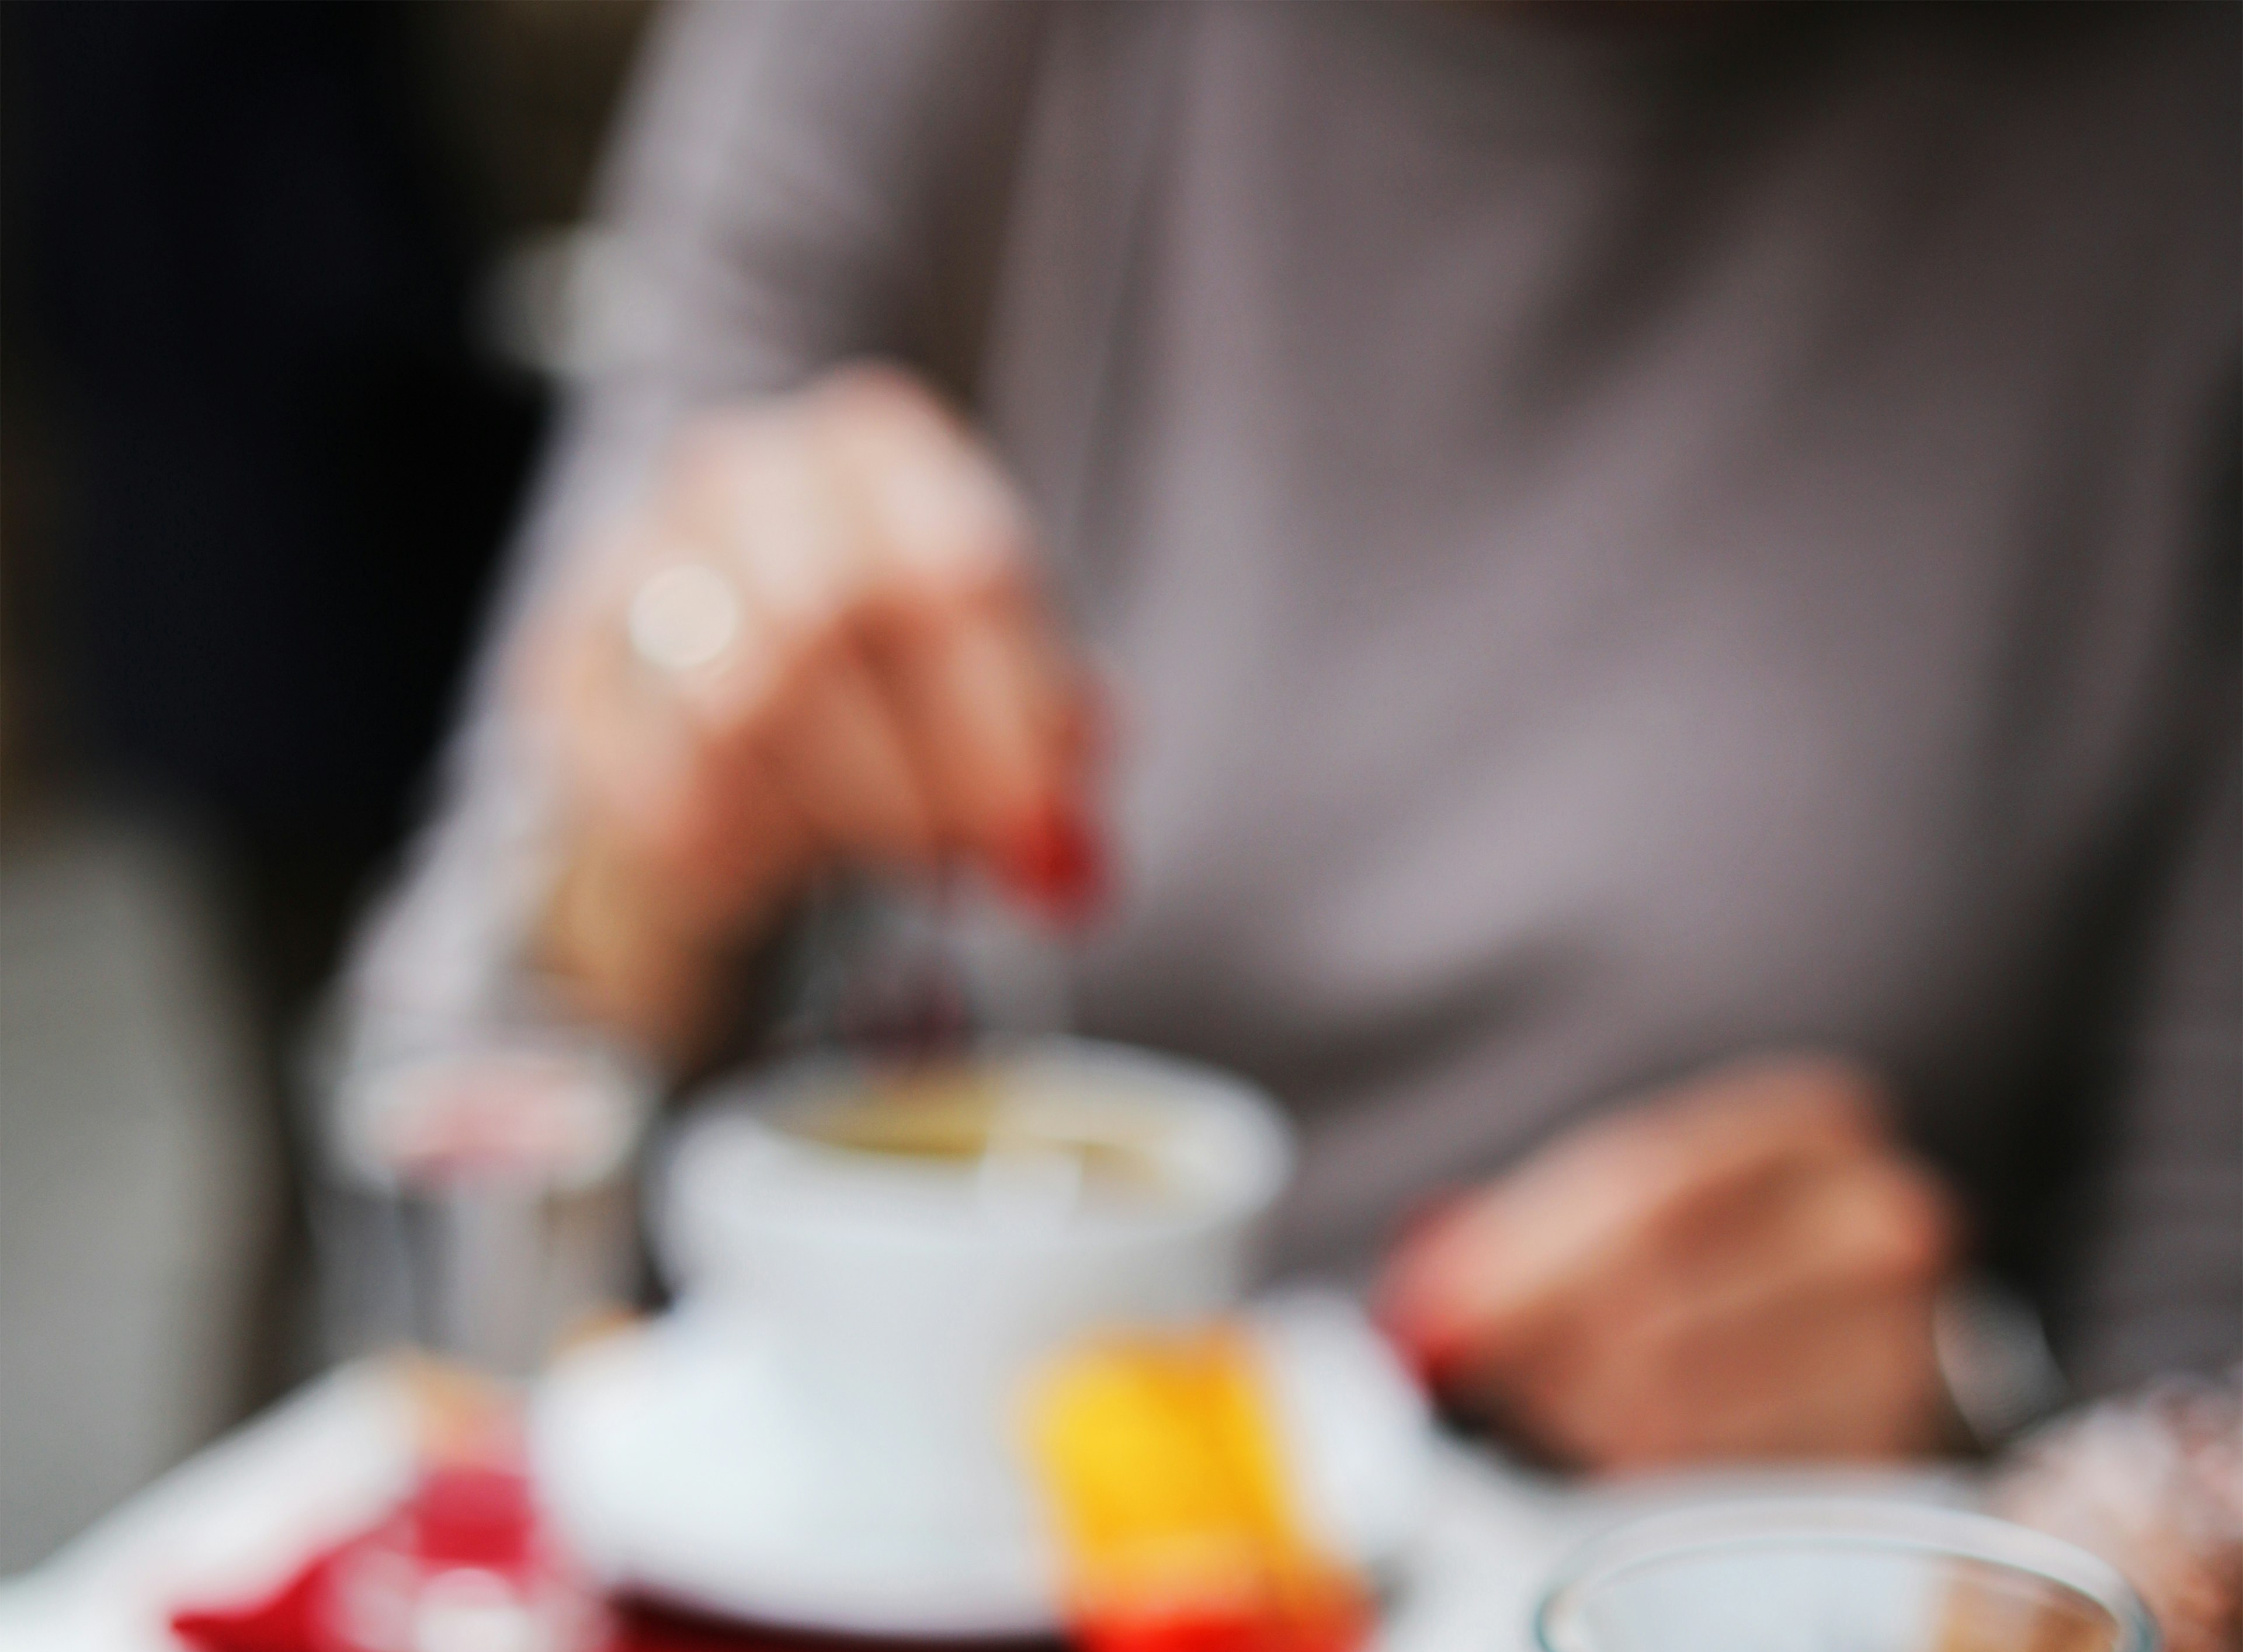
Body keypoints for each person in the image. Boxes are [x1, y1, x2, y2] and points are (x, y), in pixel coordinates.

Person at [357, 0, 2241, 1469]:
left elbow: (2190, 1404)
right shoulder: (946, 51)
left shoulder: (2170, 151)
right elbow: (435, 1122)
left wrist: (1966, 1418)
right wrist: (642, 861)